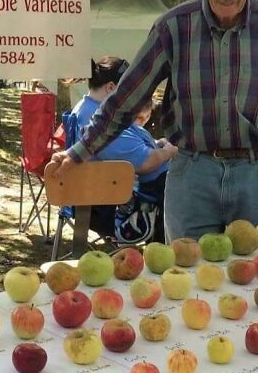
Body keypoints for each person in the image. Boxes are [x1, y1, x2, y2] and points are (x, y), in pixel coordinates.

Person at [50, 0, 258, 242]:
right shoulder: (174, 28)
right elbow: (125, 100)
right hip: (192, 174)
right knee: (185, 280)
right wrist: (79, 152)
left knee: (257, 281)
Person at [69, 56, 177, 243]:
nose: (134, 97)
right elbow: (145, 162)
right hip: (121, 200)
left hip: (122, 190)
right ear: (111, 88)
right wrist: (171, 149)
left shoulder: (90, 108)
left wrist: (158, 145)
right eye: (129, 91)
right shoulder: (96, 118)